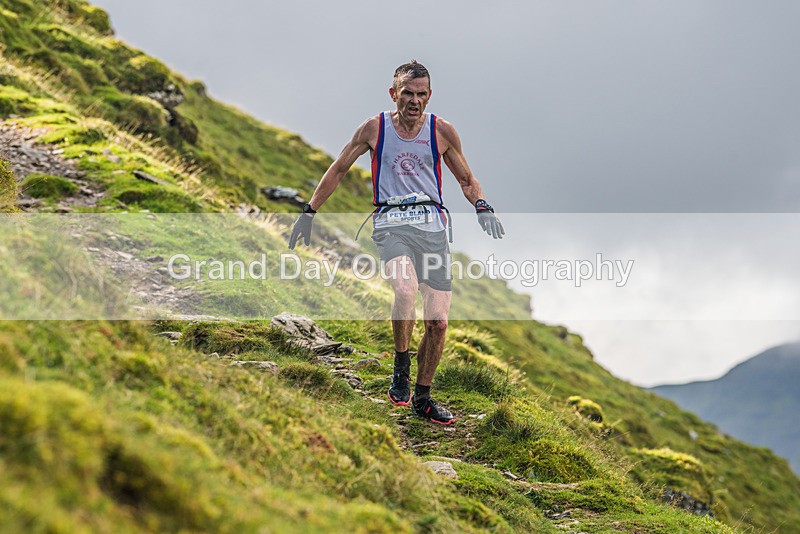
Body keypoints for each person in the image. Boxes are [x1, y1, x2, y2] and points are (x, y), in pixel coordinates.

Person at [288, 60, 504, 424]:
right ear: (394, 94)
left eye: (421, 94)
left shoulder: (441, 131)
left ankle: (423, 397)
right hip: (391, 224)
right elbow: (339, 168)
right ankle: (401, 368)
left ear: (429, 95)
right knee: (405, 291)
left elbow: (467, 180)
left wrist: (482, 205)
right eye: (407, 93)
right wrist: (309, 212)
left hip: (433, 228)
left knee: (438, 322)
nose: (414, 101)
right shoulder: (374, 128)